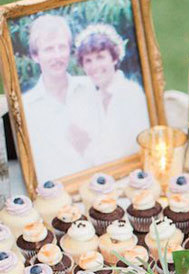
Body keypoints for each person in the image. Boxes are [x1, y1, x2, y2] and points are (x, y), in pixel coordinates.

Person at [21, 14, 99, 180]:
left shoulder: (89, 87)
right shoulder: (27, 106)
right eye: (49, 49)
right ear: (35, 56)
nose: (57, 56)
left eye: (61, 47)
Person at [75, 23, 150, 165]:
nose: (94, 66)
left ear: (114, 58)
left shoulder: (131, 93)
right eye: (88, 60)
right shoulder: (91, 100)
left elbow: (136, 147)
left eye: (100, 57)